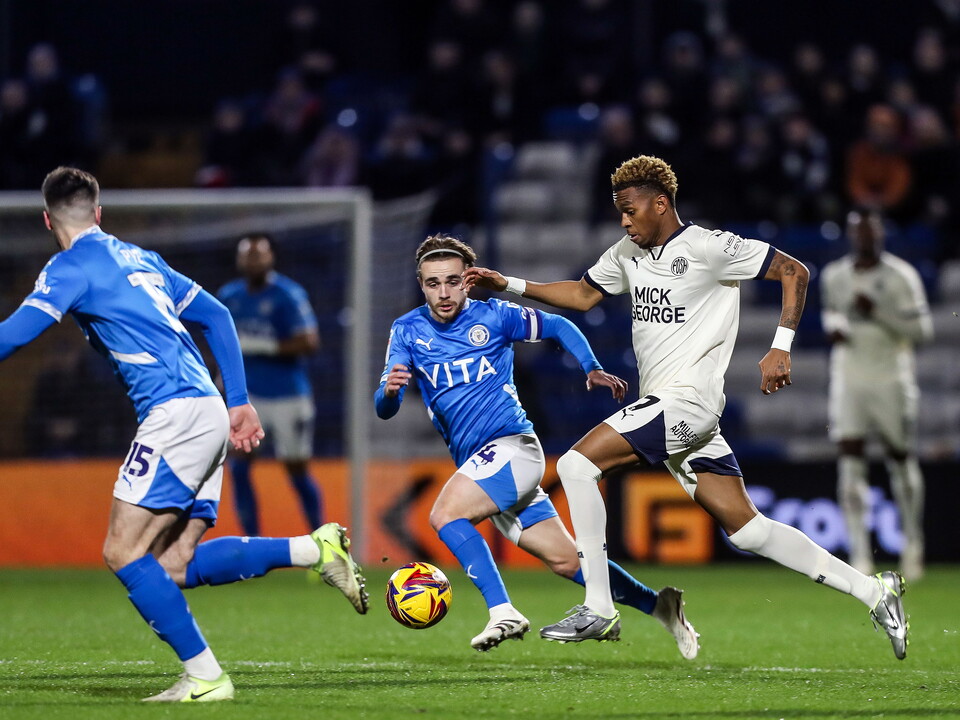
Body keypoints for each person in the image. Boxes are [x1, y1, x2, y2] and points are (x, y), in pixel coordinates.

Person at [463, 155, 910, 660]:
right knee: (749, 531)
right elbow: (584, 295)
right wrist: (510, 285)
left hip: (688, 401)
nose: (624, 221)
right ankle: (876, 592)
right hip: (672, 407)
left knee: (576, 464)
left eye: (630, 210)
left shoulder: (708, 247)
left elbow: (794, 270)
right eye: (619, 213)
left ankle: (599, 606)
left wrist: (781, 345)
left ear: (661, 203)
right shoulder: (627, 254)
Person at [0, 167, 368, 703]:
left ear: (46, 219)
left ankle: (205, 676)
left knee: (123, 551)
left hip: (175, 416)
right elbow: (217, 315)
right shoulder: (142, 258)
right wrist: (238, 402)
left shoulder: (67, 268)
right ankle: (315, 550)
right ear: (99, 213)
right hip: (209, 411)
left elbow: (14, 337)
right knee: (173, 564)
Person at [375, 233, 699, 657]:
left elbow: (560, 324)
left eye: (452, 281)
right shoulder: (407, 330)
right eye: (433, 283)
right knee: (567, 561)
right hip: (480, 464)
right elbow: (384, 407)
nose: (443, 292)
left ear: (467, 282)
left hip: (512, 446)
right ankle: (659, 606)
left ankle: (502, 611)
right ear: (421, 284)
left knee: (445, 514)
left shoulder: (494, 317)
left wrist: (592, 367)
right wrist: (391, 393)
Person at [821, 209, 932, 580]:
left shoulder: (901, 275)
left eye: (870, 230)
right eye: (858, 230)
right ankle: (858, 555)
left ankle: (913, 544)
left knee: (899, 457)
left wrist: (879, 312)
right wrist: (835, 327)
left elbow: (922, 332)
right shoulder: (836, 275)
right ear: (851, 234)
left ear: (880, 232)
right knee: (850, 459)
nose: (864, 237)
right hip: (849, 376)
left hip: (890, 378)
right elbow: (831, 314)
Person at [217, 233, 323, 536]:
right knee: (238, 467)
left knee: (297, 471)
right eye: (247, 255)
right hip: (249, 398)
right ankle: (252, 541)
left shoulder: (288, 294)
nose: (253, 261)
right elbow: (219, 342)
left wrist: (264, 346)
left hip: (288, 396)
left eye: (258, 255)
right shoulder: (229, 296)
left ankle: (326, 544)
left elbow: (309, 342)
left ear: (271, 258)